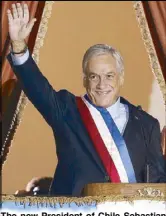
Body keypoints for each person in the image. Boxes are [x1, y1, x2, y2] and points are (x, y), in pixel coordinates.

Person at [6, 3, 166, 197]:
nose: (101, 84)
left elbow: (159, 185)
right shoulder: (67, 111)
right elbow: (37, 87)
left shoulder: (147, 125)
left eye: (109, 76)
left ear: (121, 78)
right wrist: (19, 46)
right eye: (93, 76)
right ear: (84, 79)